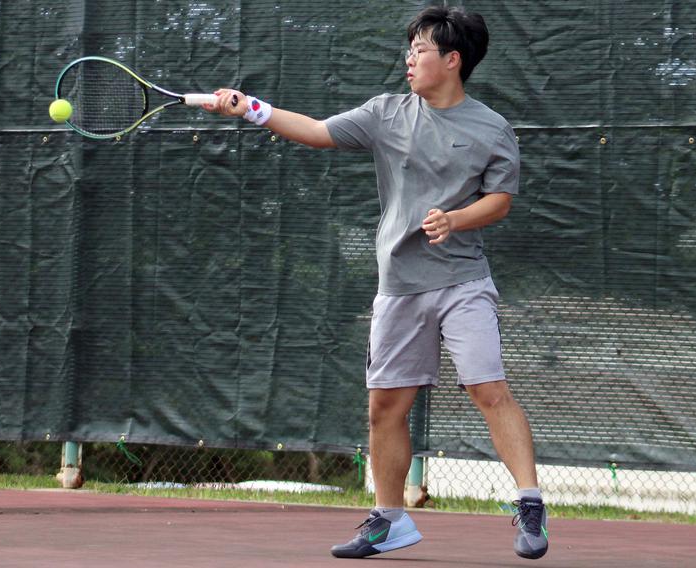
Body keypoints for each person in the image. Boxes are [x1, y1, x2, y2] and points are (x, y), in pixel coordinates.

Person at [205, 4, 548, 562]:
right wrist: (250, 109)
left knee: (487, 387)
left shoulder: (492, 128)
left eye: (420, 50)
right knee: (384, 409)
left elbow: (501, 200)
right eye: (409, 49)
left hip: (464, 282)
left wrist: (455, 218)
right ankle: (390, 520)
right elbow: (317, 132)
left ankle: (529, 502)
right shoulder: (385, 113)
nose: (409, 59)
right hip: (398, 287)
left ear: (453, 60)